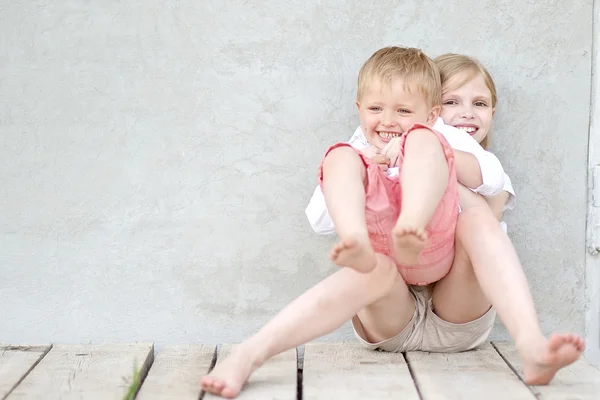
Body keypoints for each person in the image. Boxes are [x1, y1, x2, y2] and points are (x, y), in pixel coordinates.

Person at [200, 48, 584, 399]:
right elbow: (319, 221)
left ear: (431, 114)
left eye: (404, 111)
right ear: (359, 109)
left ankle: (532, 346)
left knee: (473, 214)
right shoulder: (358, 144)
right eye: (376, 110)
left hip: (457, 315)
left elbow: (494, 180)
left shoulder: (438, 136)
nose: (388, 121)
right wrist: (366, 169)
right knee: (342, 163)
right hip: (389, 315)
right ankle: (247, 354)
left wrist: (427, 144)